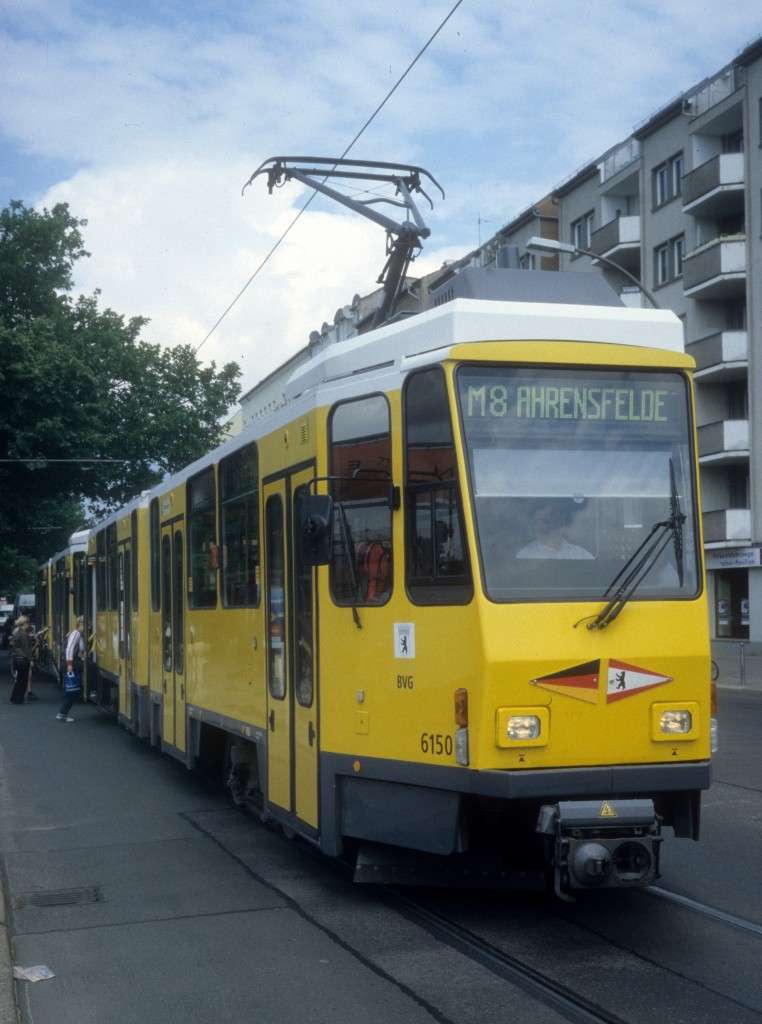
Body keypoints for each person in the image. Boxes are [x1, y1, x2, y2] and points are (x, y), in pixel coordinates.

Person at [516, 500, 594, 560]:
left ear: (560, 523)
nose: (540, 527)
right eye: (536, 523)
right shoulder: (525, 555)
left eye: (545, 521)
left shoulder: (581, 554)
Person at [57, 615, 85, 722]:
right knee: (72, 689)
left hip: (72, 661)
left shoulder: (79, 634)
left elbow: (77, 650)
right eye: (87, 625)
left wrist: (80, 654)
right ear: (81, 624)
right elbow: (69, 649)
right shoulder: (76, 633)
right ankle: (62, 713)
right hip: (69, 663)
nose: (89, 627)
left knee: (72, 689)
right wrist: (70, 664)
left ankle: (62, 713)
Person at [9, 614, 35, 704]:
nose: (29, 625)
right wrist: (31, 659)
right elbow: (26, 648)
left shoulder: (18, 632)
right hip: (22, 659)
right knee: (23, 680)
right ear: (25, 623)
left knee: (19, 680)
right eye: (28, 623)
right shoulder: (23, 634)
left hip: (16, 658)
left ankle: (15, 697)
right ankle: (19, 699)